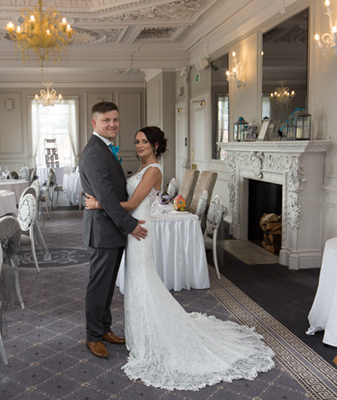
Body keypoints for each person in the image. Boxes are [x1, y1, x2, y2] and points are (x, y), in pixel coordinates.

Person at [85, 126, 275, 391]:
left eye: (145, 142)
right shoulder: (143, 169)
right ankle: (141, 335)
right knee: (137, 282)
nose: (139, 145)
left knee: (142, 281)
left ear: (156, 146)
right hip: (134, 230)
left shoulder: (154, 171)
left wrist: (98, 204)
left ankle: (150, 337)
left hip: (140, 231)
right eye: (137, 141)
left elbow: (131, 204)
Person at [79, 101, 148, 360]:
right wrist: (130, 225)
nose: (112, 124)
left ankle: (104, 328)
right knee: (99, 286)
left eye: (115, 120)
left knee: (107, 286)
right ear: (94, 123)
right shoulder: (95, 152)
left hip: (110, 231)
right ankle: (93, 336)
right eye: (106, 120)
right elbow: (106, 196)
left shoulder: (104, 148)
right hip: (103, 232)